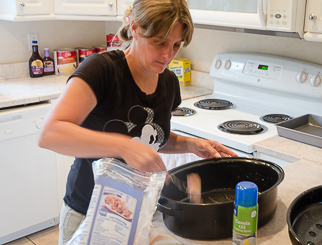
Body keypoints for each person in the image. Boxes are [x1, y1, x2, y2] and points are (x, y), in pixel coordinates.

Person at [38, 0, 238, 244]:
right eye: (159, 42)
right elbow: (50, 134)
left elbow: (151, 139)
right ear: (134, 27)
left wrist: (188, 144)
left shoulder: (168, 83)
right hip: (89, 213)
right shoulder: (102, 71)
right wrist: (123, 146)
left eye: (176, 45)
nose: (168, 54)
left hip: (139, 211)